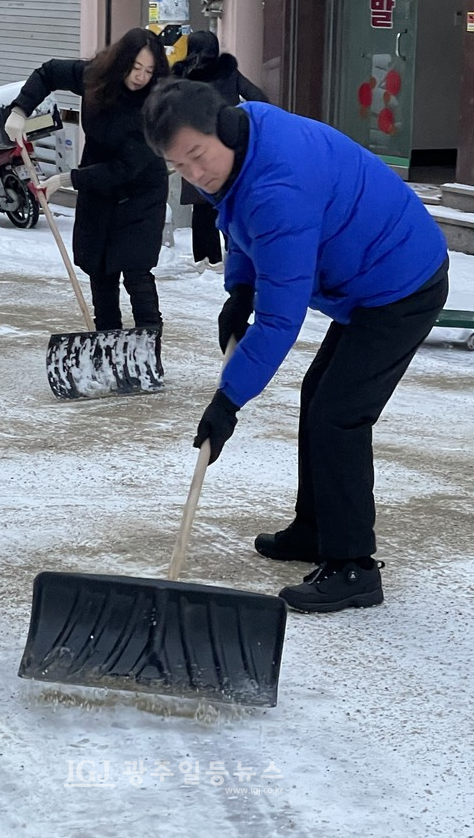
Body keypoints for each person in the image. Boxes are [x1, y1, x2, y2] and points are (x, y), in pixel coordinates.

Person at [142, 78, 449, 614]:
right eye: (179, 166)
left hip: (402, 281)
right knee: (319, 395)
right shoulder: (245, 141)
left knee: (340, 413)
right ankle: (315, 529)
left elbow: (280, 320)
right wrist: (240, 286)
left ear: (224, 127)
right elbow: (239, 216)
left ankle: (353, 566)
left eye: (197, 156)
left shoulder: (279, 188)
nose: (195, 174)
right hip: (368, 275)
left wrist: (228, 400)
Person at [5, 28, 170, 333]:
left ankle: (147, 346)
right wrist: (20, 109)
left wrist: (67, 179)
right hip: (98, 187)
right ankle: (106, 341)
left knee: (136, 270)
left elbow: (124, 168)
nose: (141, 77)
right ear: (121, 62)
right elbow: (48, 73)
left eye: (149, 71)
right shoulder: (96, 78)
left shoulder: (156, 107)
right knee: (100, 267)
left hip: (140, 192)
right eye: (135, 67)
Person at [171, 31, 268, 271]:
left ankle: (206, 258)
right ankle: (235, 253)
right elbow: (258, 96)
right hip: (227, 144)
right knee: (229, 201)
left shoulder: (185, 74)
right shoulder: (228, 72)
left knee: (201, 205)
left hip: (195, 144)